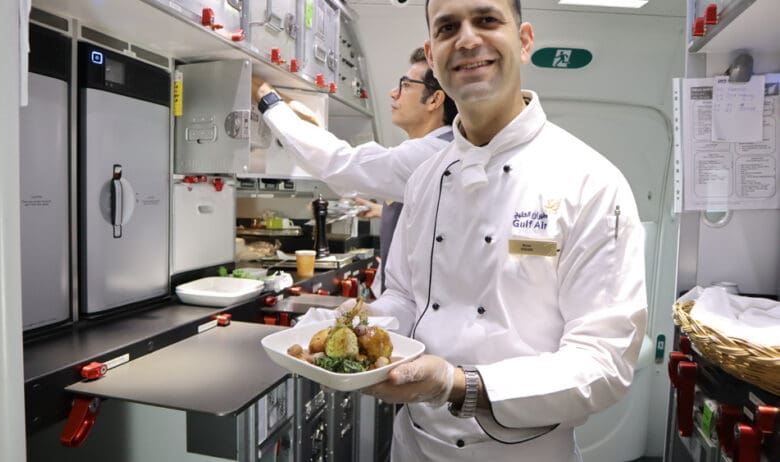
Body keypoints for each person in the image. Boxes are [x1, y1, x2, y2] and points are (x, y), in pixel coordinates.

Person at [338, 1, 648, 460]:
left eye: (486, 20)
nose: (466, 39)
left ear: (523, 41)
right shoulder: (424, 179)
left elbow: (604, 364)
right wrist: (364, 330)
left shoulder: (590, 181)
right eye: (447, 28)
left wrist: (457, 385)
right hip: (415, 446)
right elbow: (403, 296)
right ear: (433, 53)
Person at [253, 47, 458, 293]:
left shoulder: (429, 155)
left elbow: (338, 162)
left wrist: (266, 98)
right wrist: (383, 210)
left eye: (405, 85)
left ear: (435, 100)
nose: (394, 93)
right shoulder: (442, 148)